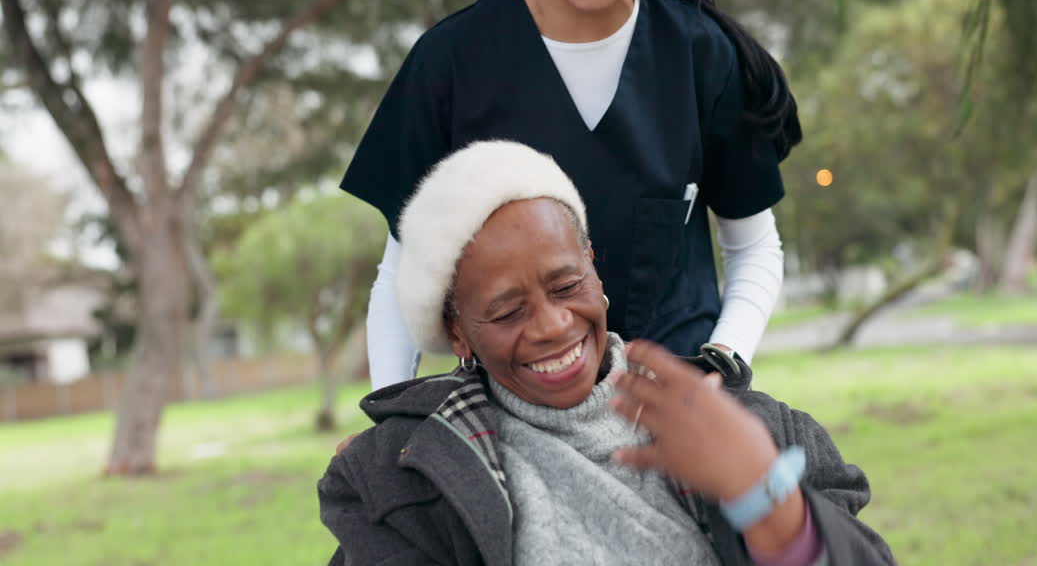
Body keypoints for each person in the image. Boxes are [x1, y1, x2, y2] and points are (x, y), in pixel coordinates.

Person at [341, 0, 803, 389]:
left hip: (671, 410)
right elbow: (403, 269)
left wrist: (720, 366)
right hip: (514, 423)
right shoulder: (449, 64)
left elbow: (753, 246)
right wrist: (388, 420)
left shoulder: (702, 55)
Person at [319, 141, 895, 566]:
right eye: (507, 311)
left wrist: (771, 504)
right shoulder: (404, 484)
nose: (552, 325)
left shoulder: (754, 430)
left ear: (593, 266)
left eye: (567, 286)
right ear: (459, 333)